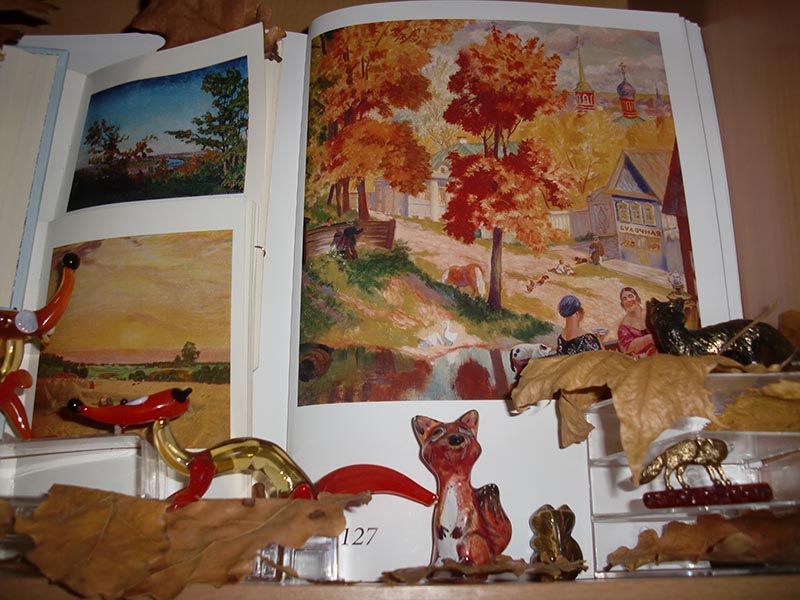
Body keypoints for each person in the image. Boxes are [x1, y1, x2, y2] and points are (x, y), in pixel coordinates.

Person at [616, 286, 657, 357]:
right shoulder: (623, 328)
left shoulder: (651, 313)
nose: (628, 300)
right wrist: (648, 339)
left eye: (630, 296)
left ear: (637, 298)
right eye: (624, 299)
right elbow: (626, 350)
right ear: (622, 304)